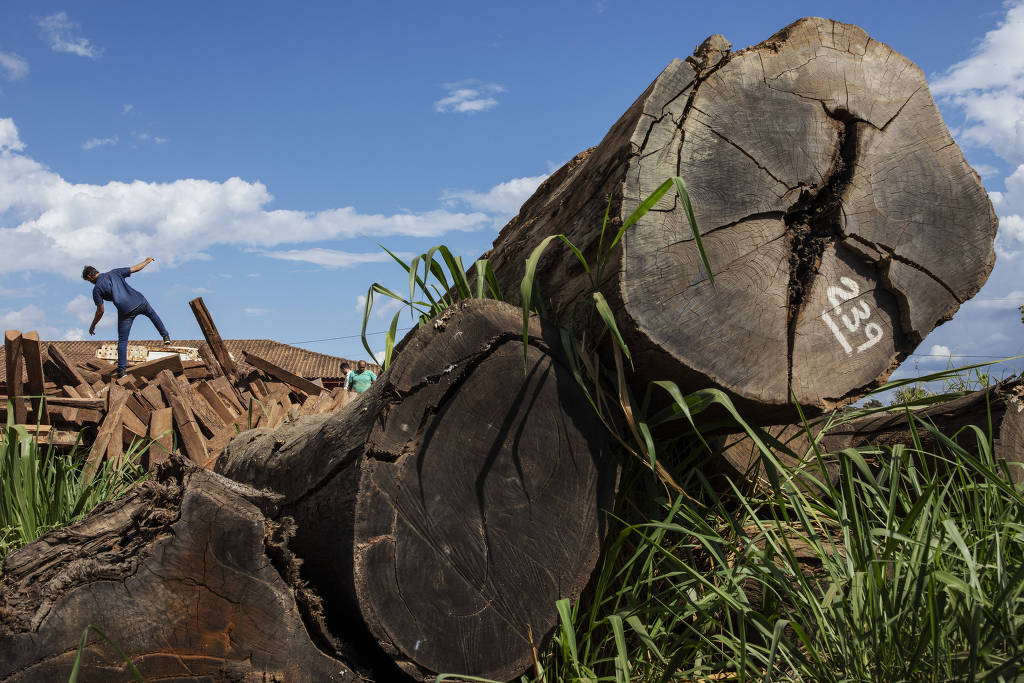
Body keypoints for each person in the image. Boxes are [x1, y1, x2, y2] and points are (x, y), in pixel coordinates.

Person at [82, 258, 171, 378]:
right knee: (152, 314)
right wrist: (147, 261)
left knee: (123, 340)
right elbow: (135, 268)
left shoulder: (96, 289)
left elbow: (100, 311)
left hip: (125, 311)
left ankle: (122, 371)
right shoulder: (114, 272)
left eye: (88, 281)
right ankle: (165, 336)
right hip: (139, 301)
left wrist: (93, 325)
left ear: (89, 277)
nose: (90, 283)